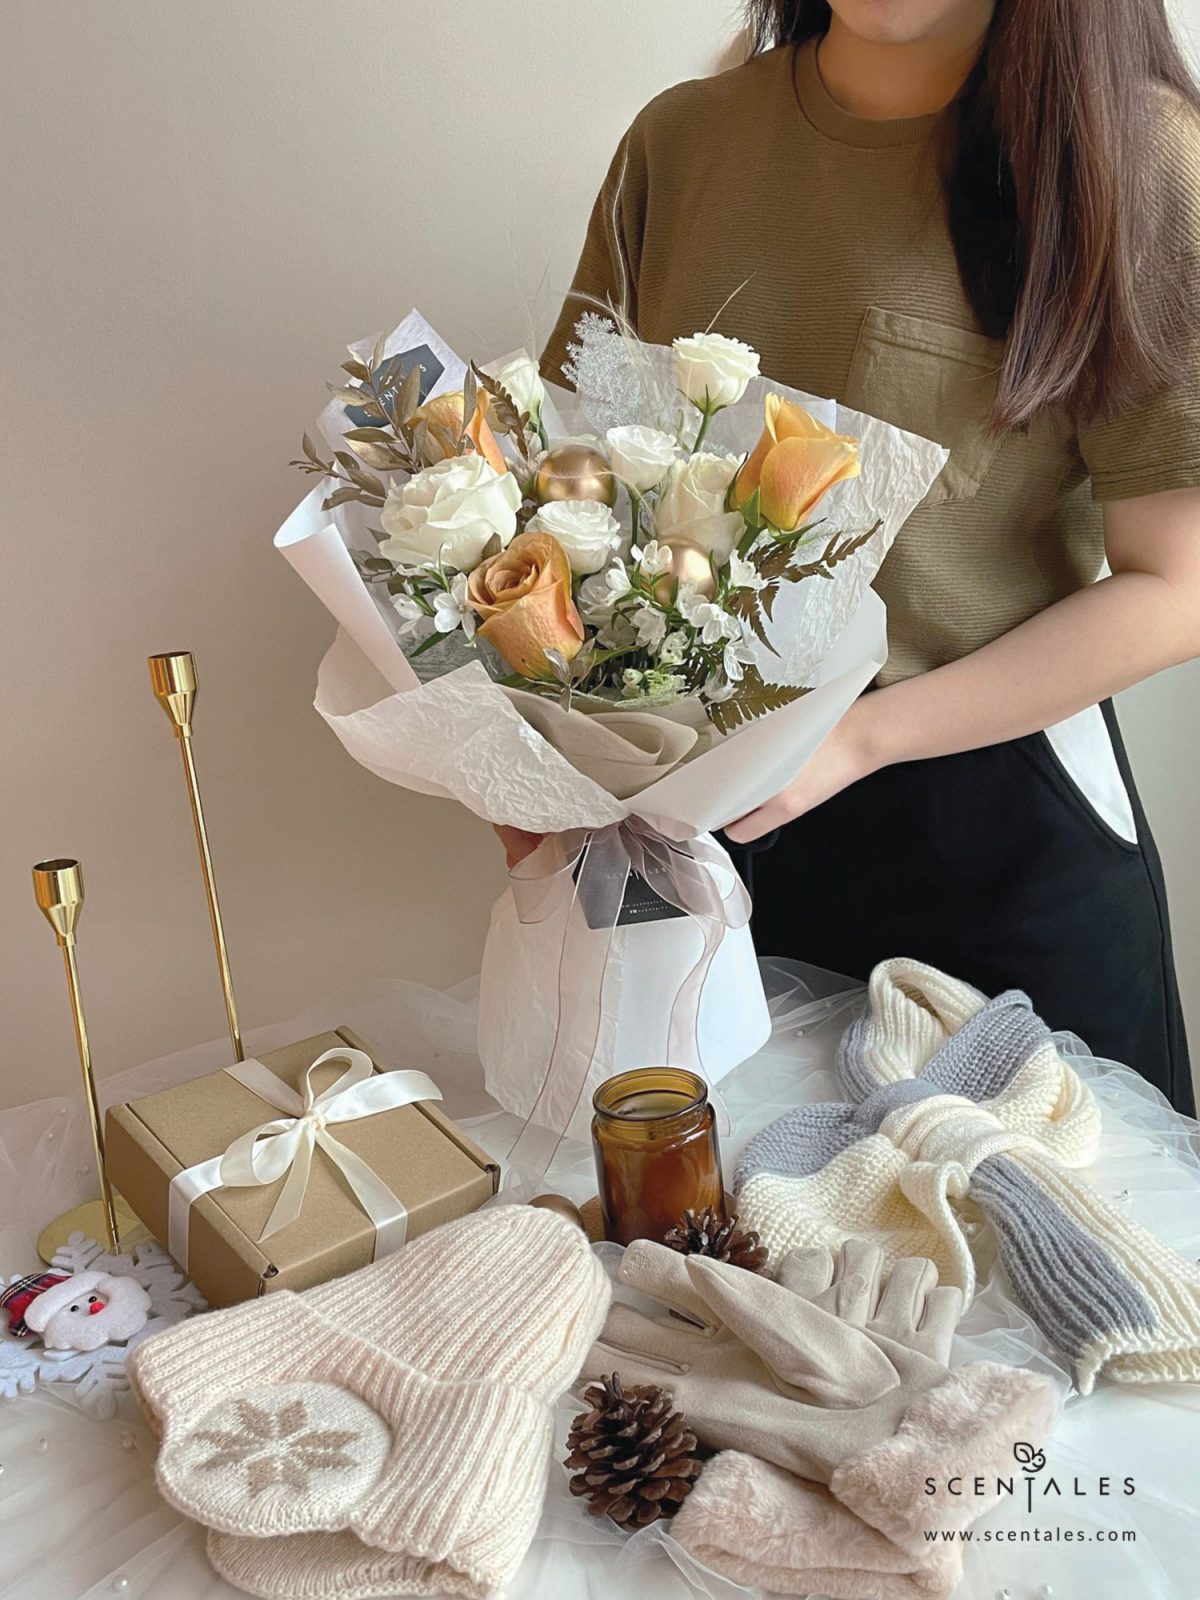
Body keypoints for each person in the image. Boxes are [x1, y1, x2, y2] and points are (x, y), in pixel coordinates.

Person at [517, 0, 1200, 1113]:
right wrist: (532, 772)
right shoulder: (680, 144)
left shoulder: (1140, 165)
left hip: (991, 825)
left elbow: (1180, 585)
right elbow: (571, 488)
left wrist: (862, 738)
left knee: (1053, 1263)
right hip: (695, 831)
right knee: (715, 1256)